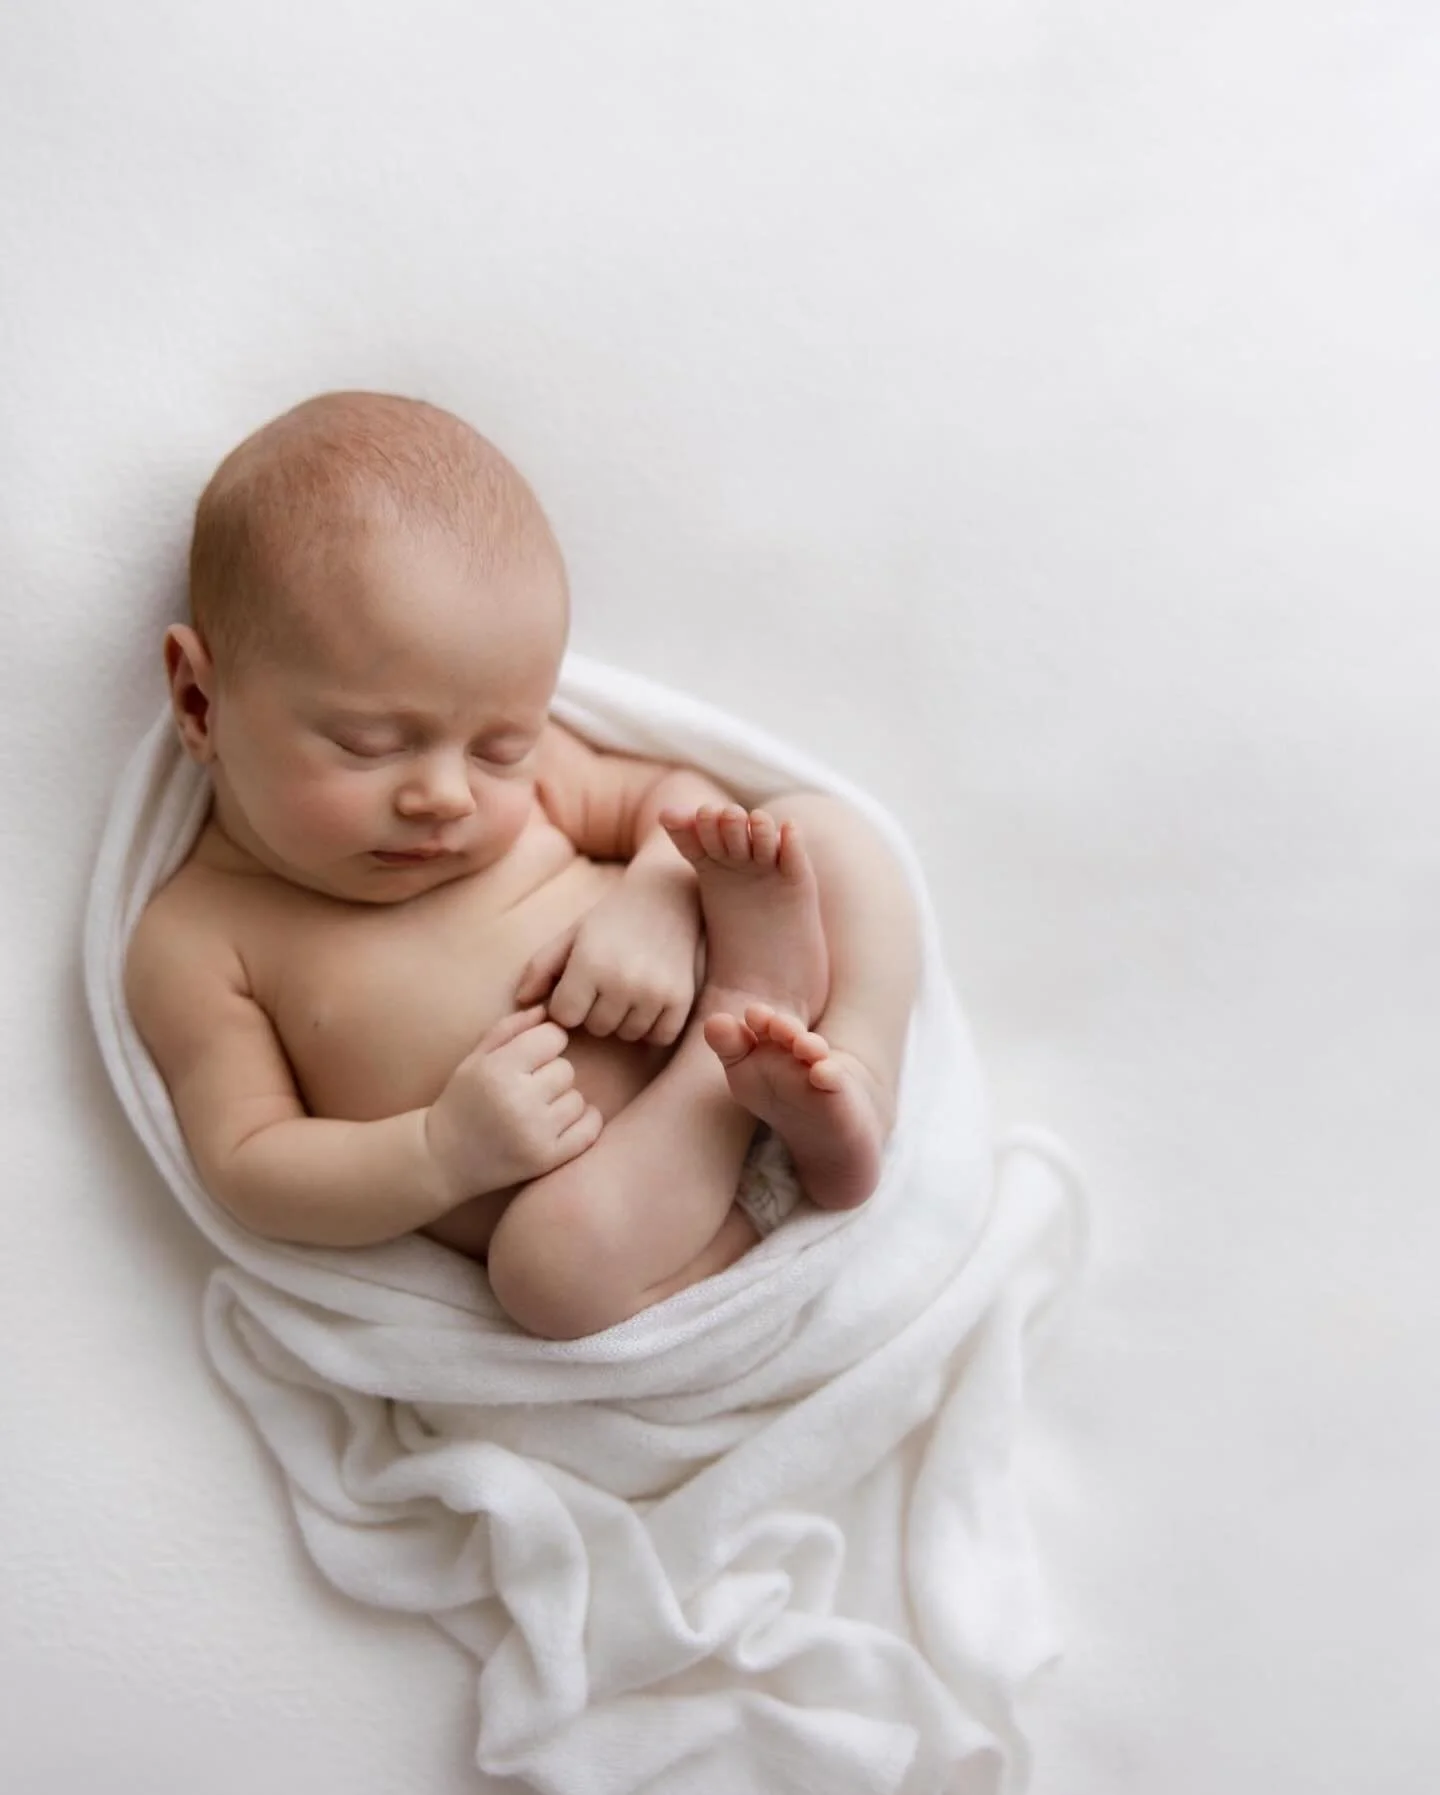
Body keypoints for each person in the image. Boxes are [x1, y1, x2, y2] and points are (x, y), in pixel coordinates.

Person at [126, 392, 921, 1340]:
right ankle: (762, 1169)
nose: (447, 795)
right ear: (201, 701)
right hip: (633, 1190)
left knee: (824, 829)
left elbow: (675, 794)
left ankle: (856, 1079)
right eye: (372, 743)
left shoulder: (544, 773)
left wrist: (661, 894)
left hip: (773, 1037)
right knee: (547, 1275)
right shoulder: (198, 937)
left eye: (499, 748)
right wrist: (437, 1152)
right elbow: (251, 1162)